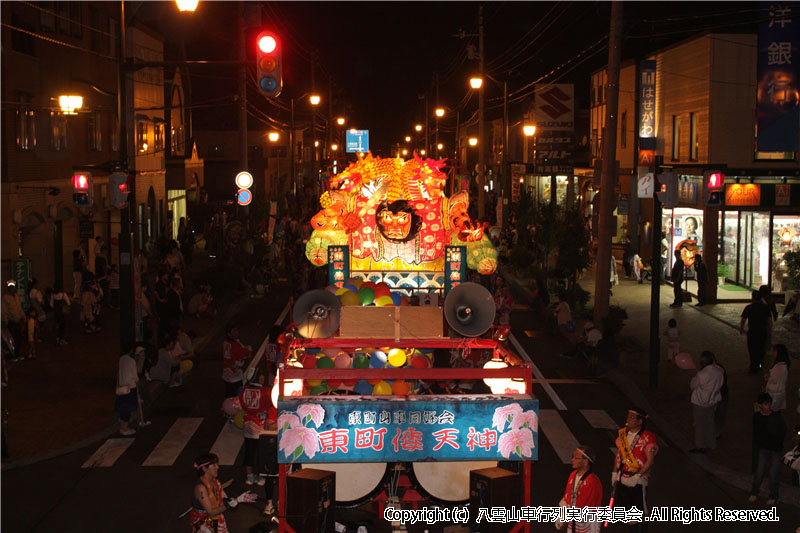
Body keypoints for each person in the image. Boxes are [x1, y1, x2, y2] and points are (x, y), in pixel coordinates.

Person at [612, 407, 658, 530]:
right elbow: (618, 455)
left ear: (640, 421)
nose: (628, 419)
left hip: (637, 478)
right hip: (622, 476)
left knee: (639, 512)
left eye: (632, 417)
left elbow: (650, 460)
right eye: (628, 416)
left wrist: (637, 476)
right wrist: (614, 473)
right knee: (628, 513)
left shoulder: (647, 437)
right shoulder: (623, 434)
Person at [189, 453, 257, 533]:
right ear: (204, 469)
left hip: (214, 520)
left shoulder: (215, 481)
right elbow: (211, 512)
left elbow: (224, 500)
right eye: (213, 465)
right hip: (205, 524)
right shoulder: (201, 489)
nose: (217, 467)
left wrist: (238, 500)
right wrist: (231, 503)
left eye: (216, 464)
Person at [233, 371, 277, 489]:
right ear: (258, 378)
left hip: (248, 426)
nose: (263, 378)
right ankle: (262, 475)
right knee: (262, 453)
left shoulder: (244, 392)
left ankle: (249, 476)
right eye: (261, 376)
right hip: (261, 427)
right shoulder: (266, 392)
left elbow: (237, 406)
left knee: (249, 452)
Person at [749, 393, 786, 505]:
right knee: (759, 472)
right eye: (765, 404)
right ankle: (754, 492)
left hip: (775, 449)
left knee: (773, 474)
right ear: (760, 405)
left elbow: (783, 431)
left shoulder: (776, 417)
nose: (768, 406)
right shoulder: (757, 417)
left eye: (769, 404)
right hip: (763, 448)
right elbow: (756, 434)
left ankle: (773, 495)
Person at [558, 445, 603, 533]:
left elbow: (586, 508)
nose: (572, 460)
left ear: (586, 462)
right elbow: (567, 495)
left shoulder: (592, 481)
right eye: (573, 457)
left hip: (585, 523)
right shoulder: (573, 475)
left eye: (576, 458)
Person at [689, 351, 724, 453]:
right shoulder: (719, 371)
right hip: (713, 401)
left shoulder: (702, 374)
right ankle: (711, 443)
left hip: (700, 402)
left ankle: (700, 445)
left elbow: (693, 385)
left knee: (699, 424)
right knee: (710, 423)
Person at [740, 290, 772, 374]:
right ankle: (760, 366)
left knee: (752, 350)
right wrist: (770, 332)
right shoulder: (765, 308)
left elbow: (743, 320)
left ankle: (753, 367)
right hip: (762, 332)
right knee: (761, 350)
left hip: (752, 332)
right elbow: (769, 321)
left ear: (753, 297)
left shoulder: (749, 307)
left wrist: (741, 329)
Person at [116, 346, 139, 436]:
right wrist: (137, 382)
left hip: (122, 387)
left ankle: (123, 424)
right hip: (130, 387)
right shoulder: (131, 361)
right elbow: (134, 375)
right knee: (128, 408)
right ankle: (124, 428)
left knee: (123, 407)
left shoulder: (121, 359)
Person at [222, 325, 251, 398]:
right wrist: (248, 349)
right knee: (236, 396)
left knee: (228, 394)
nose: (236, 333)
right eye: (234, 331)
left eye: (236, 330)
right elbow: (245, 354)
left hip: (226, 373)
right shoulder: (235, 345)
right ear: (229, 334)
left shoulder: (226, 343)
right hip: (235, 375)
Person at [2, 281, 25, 361]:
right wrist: (5, 320)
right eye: (11, 286)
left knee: (19, 338)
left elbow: (19, 308)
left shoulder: (16, 296)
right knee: (12, 340)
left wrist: (23, 316)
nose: (12, 288)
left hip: (18, 321)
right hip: (11, 322)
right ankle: (13, 356)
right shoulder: (5, 297)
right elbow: (4, 310)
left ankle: (17, 355)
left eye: (13, 286)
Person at [764, 344, 790, 412]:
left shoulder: (779, 366)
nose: (773, 353)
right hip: (780, 392)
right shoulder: (784, 364)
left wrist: (768, 377)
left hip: (775, 394)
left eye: (774, 351)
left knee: (773, 411)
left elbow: (774, 380)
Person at [715, 360, 729, 440]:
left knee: (719, 413)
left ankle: (717, 432)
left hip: (721, 394)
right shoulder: (720, 369)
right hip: (721, 394)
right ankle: (717, 431)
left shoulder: (717, 370)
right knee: (720, 414)